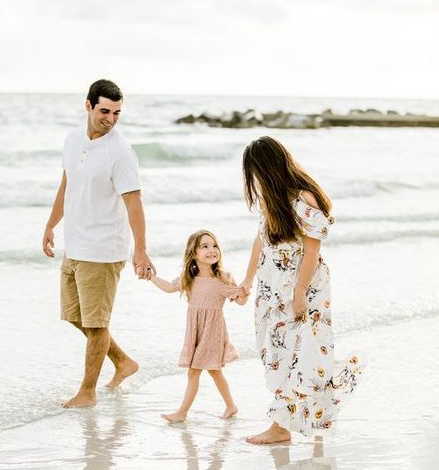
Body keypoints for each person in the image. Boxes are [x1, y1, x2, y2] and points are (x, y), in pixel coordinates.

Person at [239, 136, 362, 444]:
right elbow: (260, 242)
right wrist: (247, 281)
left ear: (266, 168)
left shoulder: (305, 198)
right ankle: (315, 416)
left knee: (299, 352)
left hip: (303, 284)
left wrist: (299, 293)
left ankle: (280, 428)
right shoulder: (273, 198)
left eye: (254, 171)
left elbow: (311, 251)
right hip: (272, 286)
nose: (253, 179)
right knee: (276, 352)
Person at [42, 79, 154, 409]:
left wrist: (141, 249)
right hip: (74, 244)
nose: (111, 118)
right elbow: (67, 186)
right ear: (88, 106)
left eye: (117, 113)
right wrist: (50, 225)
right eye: (105, 111)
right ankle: (123, 362)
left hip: (103, 249)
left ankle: (87, 392)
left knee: (96, 324)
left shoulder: (120, 153)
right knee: (75, 316)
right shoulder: (72, 140)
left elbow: (134, 203)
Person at [149, 229, 247, 422]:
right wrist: (150, 277)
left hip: (212, 331)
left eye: (214, 245)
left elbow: (241, 301)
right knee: (214, 371)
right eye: (205, 246)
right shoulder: (189, 278)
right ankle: (231, 405)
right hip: (196, 332)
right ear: (194, 253)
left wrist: (245, 291)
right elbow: (169, 287)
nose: (212, 250)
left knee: (194, 371)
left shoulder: (223, 278)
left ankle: (182, 413)